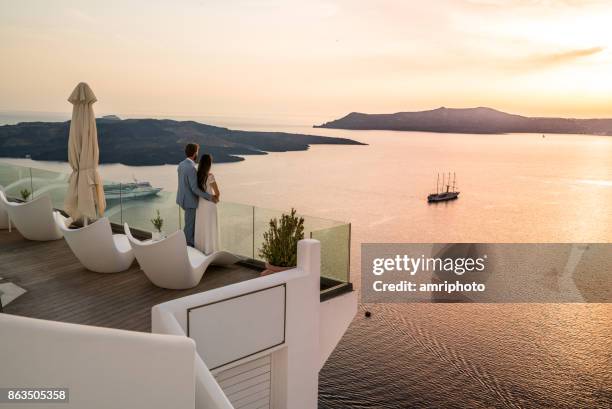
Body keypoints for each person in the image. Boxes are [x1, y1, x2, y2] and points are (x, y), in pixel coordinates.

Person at [176, 143, 218, 247]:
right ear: (195, 153)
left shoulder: (181, 164)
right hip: (190, 202)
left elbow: (183, 183)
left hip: (182, 199)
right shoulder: (191, 168)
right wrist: (210, 197)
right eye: (197, 152)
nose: (197, 154)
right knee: (189, 228)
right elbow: (194, 188)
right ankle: (187, 249)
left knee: (189, 225)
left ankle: (189, 247)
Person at [194, 154, 220, 254]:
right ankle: (210, 251)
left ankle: (200, 250)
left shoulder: (196, 175)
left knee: (201, 226)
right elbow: (217, 192)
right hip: (210, 205)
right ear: (209, 164)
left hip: (200, 205)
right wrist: (216, 198)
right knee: (210, 227)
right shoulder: (210, 176)